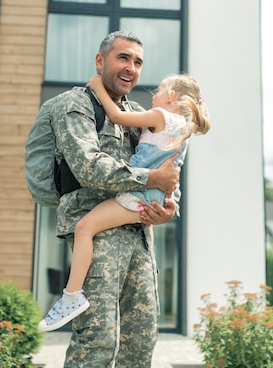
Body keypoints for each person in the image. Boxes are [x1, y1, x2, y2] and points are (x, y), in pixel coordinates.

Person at [39, 31, 181, 368]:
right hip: (98, 239)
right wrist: (151, 179)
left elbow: (164, 166)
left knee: (141, 340)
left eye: (138, 62)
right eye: (123, 58)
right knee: (98, 342)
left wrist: (169, 207)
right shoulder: (75, 105)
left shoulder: (139, 114)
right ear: (100, 61)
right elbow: (90, 167)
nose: (131, 67)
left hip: (140, 239)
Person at [39, 72, 210, 332]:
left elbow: (117, 116)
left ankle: (71, 296)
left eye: (158, 92)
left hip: (138, 194)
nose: (153, 98)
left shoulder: (161, 117)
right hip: (155, 197)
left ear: (171, 96)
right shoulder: (184, 128)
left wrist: (98, 87)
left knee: (85, 227)